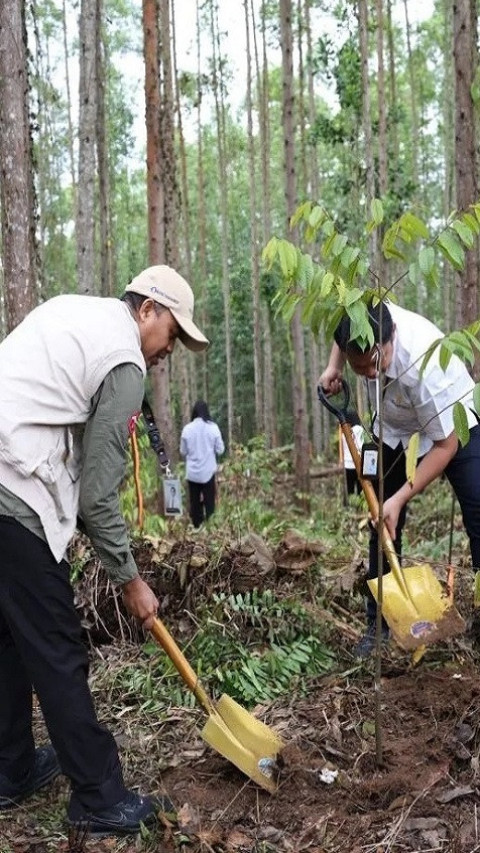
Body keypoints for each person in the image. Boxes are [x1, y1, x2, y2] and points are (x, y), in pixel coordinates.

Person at [0, 265, 208, 834]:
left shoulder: (79, 311)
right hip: (10, 491)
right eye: (172, 333)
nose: (170, 350)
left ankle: (10, 768)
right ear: (147, 310)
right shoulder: (124, 359)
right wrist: (131, 579)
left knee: (10, 637)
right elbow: (96, 498)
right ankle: (97, 795)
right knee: (57, 644)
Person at [320, 298, 480, 658]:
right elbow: (342, 328)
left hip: (451, 422)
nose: (371, 374)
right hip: (392, 427)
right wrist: (334, 366)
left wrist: (401, 496)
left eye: (377, 362)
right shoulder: (364, 318)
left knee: (479, 516)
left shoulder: (424, 365)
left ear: (391, 336)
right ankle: (378, 627)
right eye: (360, 368)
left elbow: (445, 445)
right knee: (382, 524)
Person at [180, 401, 225, 528]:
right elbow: (220, 449)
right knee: (209, 501)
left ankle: (196, 527)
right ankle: (210, 527)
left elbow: (183, 451)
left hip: (193, 473)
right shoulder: (213, 428)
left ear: (194, 412)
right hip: (208, 471)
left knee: (194, 503)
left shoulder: (187, 429)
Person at [341, 411, 364, 496]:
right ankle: (359, 508)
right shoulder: (361, 430)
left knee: (349, 489)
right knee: (360, 489)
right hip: (359, 463)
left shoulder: (344, 432)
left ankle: (349, 507)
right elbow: (362, 446)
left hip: (348, 464)